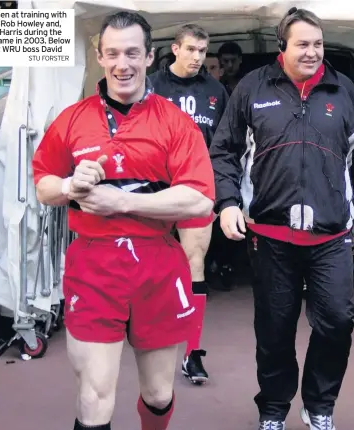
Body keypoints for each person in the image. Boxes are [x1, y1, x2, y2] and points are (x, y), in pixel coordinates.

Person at [32, 11, 215, 430]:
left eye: (133, 53)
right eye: (112, 53)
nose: (122, 64)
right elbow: (43, 184)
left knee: (158, 394)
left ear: (150, 57)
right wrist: (69, 187)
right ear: (99, 56)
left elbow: (200, 200)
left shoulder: (173, 121)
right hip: (94, 266)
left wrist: (122, 203)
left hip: (157, 264)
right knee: (95, 393)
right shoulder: (73, 119)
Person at [209, 7, 354, 430]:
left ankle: (319, 406)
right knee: (274, 329)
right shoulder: (252, 88)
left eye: (318, 44)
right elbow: (224, 151)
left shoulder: (345, 92)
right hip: (270, 234)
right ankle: (273, 409)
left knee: (338, 321)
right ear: (282, 48)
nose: (312, 52)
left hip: (331, 234)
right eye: (303, 44)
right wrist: (228, 202)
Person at [149, 23, 229, 385]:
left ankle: (192, 353)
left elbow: (225, 144)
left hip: (198, 187)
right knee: (152, 268)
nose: (198, 57)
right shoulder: (151, 85)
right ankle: (152, 340)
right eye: (192, 50)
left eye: (203, 51)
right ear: (175, 49)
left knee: (194, 264)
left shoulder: (216, 91)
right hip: (154, 189)